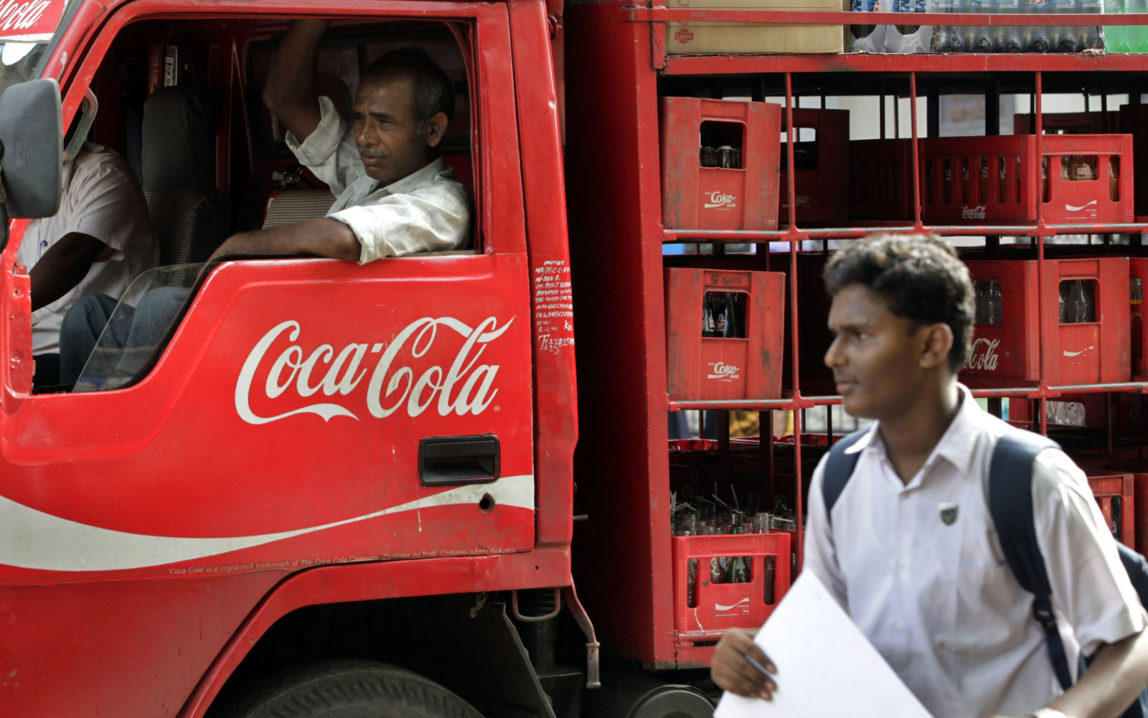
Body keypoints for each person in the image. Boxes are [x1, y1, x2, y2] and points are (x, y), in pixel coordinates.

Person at [710, 233, 1148, 718]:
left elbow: (1129, 644)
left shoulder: (1029, 478)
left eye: (860, 335)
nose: (834, 356)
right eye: (836, 335)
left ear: (932, 344)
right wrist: (752, 655)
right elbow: (827, 636)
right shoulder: (838, 479)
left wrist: (1062, 717)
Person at [58, 20, 469, 388]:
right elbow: (284, 100)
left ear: (432, 130)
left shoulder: (441, 203)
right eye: (359, 118)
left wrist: (237, 247)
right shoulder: (367, 174)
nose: (363, 136)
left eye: (383, 122)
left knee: (161, 304)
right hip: (297, 329)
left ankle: (121, 432)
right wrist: (317, 12)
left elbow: (343, 237)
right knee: (88, 314)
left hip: (334, 350)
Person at [23, 142, 158, 387]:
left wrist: (6, 306)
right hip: (25, 344)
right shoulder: (18, 188)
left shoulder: (102, 175)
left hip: (84, 354)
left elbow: (73, 255)